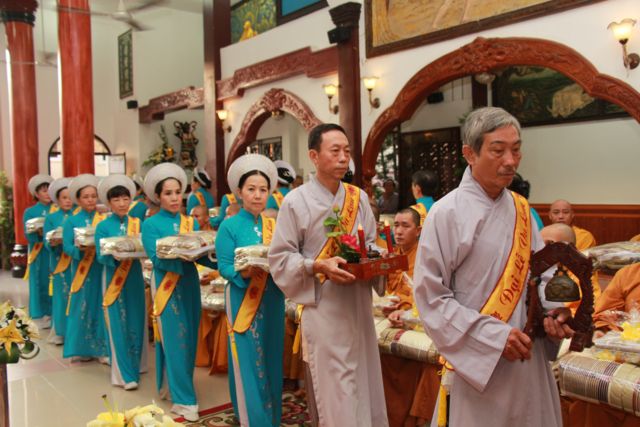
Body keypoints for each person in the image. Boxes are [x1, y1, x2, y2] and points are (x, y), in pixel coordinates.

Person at [413, 107, 573, 427]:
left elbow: (541, 274)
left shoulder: (521, 209)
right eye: (498, 151)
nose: (510, 161)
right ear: (469, 154)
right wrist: (494, 337)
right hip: (479, 365)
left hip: (527, 356)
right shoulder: (446, 213)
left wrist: (554, 311)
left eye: (516, 150)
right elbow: (431, 298)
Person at [268, 123, 388, 426]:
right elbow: (280, 258)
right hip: (324, 307)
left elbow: (369, 244)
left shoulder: (358, 197)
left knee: (364, 379)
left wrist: (379, 258)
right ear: (314, 155)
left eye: (347, 151)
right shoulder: (296, 201)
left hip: (358, 305)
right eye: (335, 151)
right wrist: (317, 266)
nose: (343, 158)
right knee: (337, 388)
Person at [141, 162, 214, 422]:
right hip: (167, 287)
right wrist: (183, 254)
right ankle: (185, 400)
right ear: (158, 196)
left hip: (189, 284)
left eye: (177, 193)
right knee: (175, 340)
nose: (174, 198)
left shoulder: (188, 221)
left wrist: (218, 258)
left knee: (189, 340)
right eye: (168, 193)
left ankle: (177, 387)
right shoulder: (150, 225)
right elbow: (156, 258)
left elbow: (200, 254)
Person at [216, 154, 284, 426]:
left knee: (272, 357)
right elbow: (223, 265)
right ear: (239, 192)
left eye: (263, 190)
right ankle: (254, 420)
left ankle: (273, 418)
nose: (257, 195)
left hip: (273, 297)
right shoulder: (229, 226)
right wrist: (243, 271)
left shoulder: (274, 225)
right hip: (243, 297)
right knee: (248, 360)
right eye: (251, 189)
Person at [380, 208, 441, 427]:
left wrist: (404, 308)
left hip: (415, 321)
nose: (398, 231)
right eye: (396, 225)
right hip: (390, 318)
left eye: (405, 226)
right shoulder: (391, 254)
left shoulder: (426, 257)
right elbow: (385, 289)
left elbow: (426, 294)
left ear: (418, 230)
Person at [95, 175, 147, 390]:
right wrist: (114, 257)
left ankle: (136, 364)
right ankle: (124, 375)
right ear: (109, 202)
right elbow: (100, 256)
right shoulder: (102, 226)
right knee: (118, 322)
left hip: (134, 277)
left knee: (136, 319)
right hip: (113, 279)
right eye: (116, 200)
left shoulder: (137, 223)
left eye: (125, 199)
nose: (122, 203)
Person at [62, 174, 109, 362]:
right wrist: (80, 251)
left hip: (100, 267)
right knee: (82, 304)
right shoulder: (71, 221)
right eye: (86, 197)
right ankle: (82, 348)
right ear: (78, 200)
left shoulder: (103, 219)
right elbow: (66, 246)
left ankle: (101, 349)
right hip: (82, 268)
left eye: (93, 196)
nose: (90, 200)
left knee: (101, 304)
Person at [540, 223, 602, 315]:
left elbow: (592, 306)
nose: (539, 249)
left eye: (543, 244)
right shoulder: (537, 268)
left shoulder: (582, 273)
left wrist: (568, 314)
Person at [43, 177, 74, 344]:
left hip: (77, 262)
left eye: (70, 197)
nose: (68, 201)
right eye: (64, 198)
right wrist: (53, 242)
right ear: (57, 199)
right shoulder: (51, 218)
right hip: (59, 262)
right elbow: (46, 242)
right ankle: (61, 331)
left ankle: (75, 333)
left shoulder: (78, 215)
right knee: (61, 296)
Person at [23, 174, 54, 326]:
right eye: (43, 191)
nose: (47, 194)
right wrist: (38, 233)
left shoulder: (57, 209)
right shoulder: (30, 212)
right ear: (36, 193)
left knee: (54, 281)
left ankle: (55, 312)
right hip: (39, 251)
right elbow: (28, 234)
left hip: (54, 250)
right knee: (41, 281)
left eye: (49, 190)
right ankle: (43, 312)